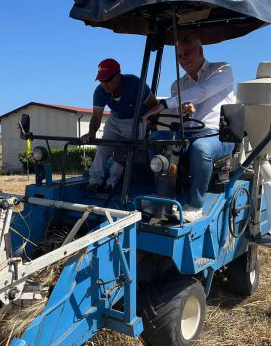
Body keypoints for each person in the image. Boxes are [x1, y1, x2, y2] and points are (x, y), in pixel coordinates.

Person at [142, 34, 235, 220]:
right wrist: (182, 109)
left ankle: (195, 204)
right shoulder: (178, 84)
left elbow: (202, 92)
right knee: (155, 139)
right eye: (179, 55)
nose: (183, 59)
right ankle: (165, 195)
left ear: (201, 51)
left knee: (201, 148)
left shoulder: (222, 70)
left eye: (188, 53)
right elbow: (179, 112)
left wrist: (164, 104)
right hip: (188, 134)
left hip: (219, 135)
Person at [82, 58, 158, 192]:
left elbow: (154, 105)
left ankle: (111, 183)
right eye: (101, 81)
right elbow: (96, 117)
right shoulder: (99, 92)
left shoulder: (135, 84)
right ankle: (94, 181)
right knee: (103, 147)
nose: (104, 85)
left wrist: (152, 125)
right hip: (115, 119)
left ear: (118, 75)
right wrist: (91, 132)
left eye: (108, 80)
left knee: (125, 151)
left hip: (136, 120)